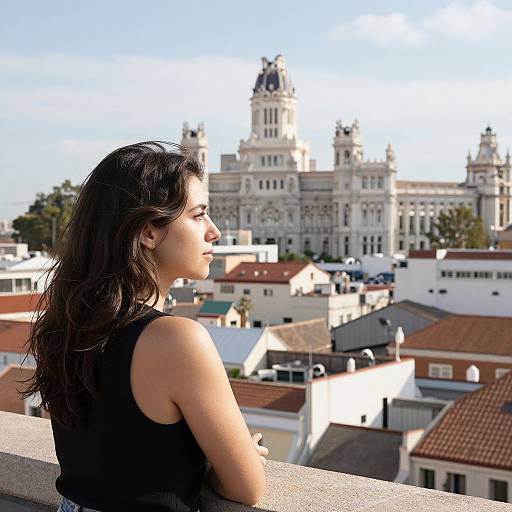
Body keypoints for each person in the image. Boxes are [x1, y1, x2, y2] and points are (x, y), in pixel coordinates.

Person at [23, 142, 268, 512]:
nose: (214, 231)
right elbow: (247, 487)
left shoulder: (62, 325)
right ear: (149, 232)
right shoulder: (177, 340)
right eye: (198, 215)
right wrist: (230, 456)